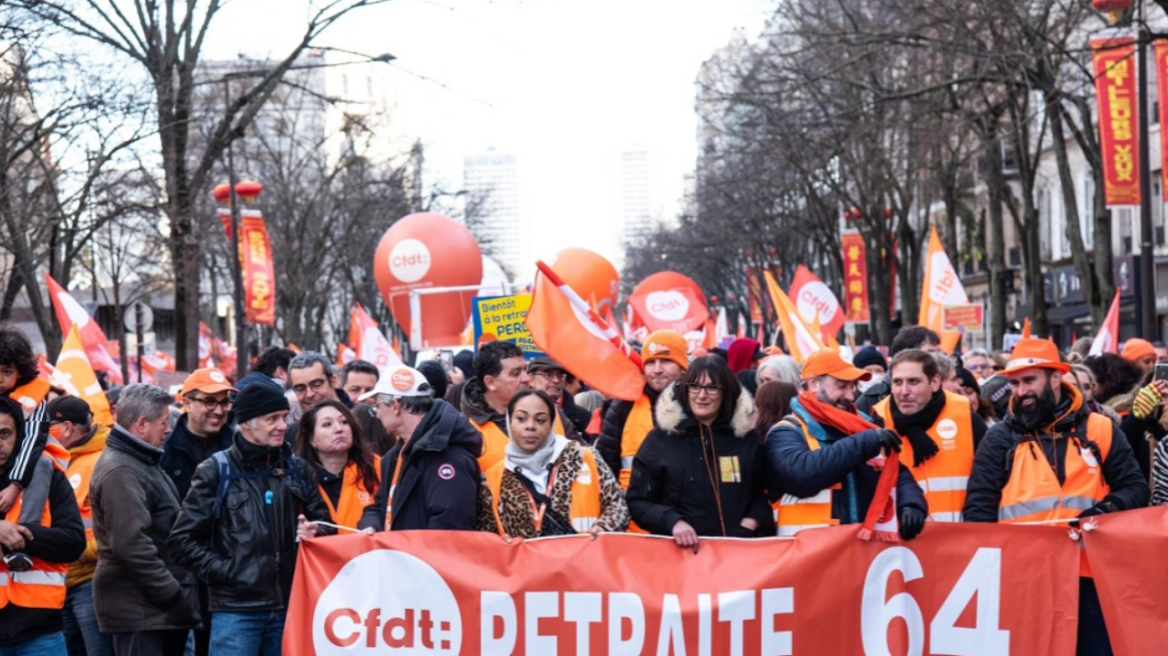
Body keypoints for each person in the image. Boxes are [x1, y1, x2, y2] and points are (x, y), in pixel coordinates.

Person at [962, 337, 1148, 656]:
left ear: (1056, 378)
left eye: (1029, 380)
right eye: (1016, 383)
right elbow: (978, 512)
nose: (1021, 391)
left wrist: (1106, 510)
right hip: (1024, 580)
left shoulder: (1100, 429)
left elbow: (1135, 488)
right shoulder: (998, 440)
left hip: (1091, 576)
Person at [168, 383, 334, 655]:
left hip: (291, 607)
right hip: (236, 613)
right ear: (246, 422)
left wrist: (316, 533)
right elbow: (181, 541)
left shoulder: (298, 468)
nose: (282, 425)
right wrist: (229, 573)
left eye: (284, 416)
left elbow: (326, 525)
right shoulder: (215, 470)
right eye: (272, 419)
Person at [766, 349, 927, 539]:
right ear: (814, 384)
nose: (850, 397)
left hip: (858, 555)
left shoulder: (864, 429)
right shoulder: (786, 431)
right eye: (841, 386)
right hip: (807, 560)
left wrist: (910, 504)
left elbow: (897, 474)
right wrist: (864, 442)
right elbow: (802, 475)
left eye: (852, 387)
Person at [90, 385, 200, 656]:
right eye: (164, 423)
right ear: (141, 425)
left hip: (151, 609)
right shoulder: (122, 470)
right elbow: (132, 547)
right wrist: (174, 597)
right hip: (142, 611)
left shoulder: (139, 461)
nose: (167, 430)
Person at [627, 356, 771, 549]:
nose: (701, 395)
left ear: (725, 392)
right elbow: (638, 501)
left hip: (737, 553)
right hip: (680, 558)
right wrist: (672, 521)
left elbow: (762, 493)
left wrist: (750, 523)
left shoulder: (746, 439)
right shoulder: (660, 440)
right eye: (694, 386)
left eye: (712, 388)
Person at [477, 389, 628, 538]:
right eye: (521, 419)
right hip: (527, 562)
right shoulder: (492, 479)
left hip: (584, 560)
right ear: (509, 422)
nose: (530, 426)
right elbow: (485, 536)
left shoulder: (586, 458)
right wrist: (499, 544)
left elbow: (618, 506)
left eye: (540, 420)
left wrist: (604, 527)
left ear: (551, 424)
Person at [0, 394, 86, 655]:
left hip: (40, 631)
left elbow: (73, 543)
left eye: (4, 434)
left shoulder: (50, 479)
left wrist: (23, 536)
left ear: (20, 437)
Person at [357, 365, 480, 532]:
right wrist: (370, 526)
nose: (377, 414)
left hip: (420, 557)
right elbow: (380, 505)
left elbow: (449, 530)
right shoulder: (396, 455)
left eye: (377, 406)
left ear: (395, 405)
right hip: (400, 555)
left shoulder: (449, 456)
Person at [871, 350, 987, 522]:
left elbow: (989, 483)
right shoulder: (878, 421)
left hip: (960, 537)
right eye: (897, 382)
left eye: (913, 381)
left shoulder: (966, 417)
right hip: (902, 541)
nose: (904, 391)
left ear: (934, 383)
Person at [46, 396, 113, 656]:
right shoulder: (57, 461)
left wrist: (83, 553)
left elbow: (118, 524)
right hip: (62, 579)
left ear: (66, 428)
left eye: (48, 426)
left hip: (90, 581)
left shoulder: (102, 462)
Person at [596, 331, 689, 491]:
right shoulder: (624, 405)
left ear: (683, 368)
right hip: (633, 509)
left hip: (687, 509)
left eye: (666, 361)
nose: (657, 369)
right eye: (651, 362)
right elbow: (604, 466)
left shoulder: (698, 403)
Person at [463, 341, 554, 470]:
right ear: (490, 383)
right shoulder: (466, 431)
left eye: (525, 370)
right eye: (515, 373)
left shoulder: (551, 411)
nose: (526, 378)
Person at [294, 400, 380, 529]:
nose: (339, 429)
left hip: (371, 547)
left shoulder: (376, 466)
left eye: (344, 422)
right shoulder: (298, 477)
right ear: (312, 439)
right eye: (327, 424)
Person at [288, 351, 392, 455]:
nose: (309, 394)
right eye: (300, 389)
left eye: (317, 385)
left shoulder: (365, 422)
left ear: (333, 381)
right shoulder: (293, 433)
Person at [161, 368, 237, 502]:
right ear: (187, 404)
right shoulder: (163, 451)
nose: (219, 411)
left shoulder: (238, 449)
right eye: (210, 402)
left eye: (224, 402)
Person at [856, 325, 942, 414]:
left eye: (940, 353)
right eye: (931, 354)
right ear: (906, 355)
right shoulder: (871, 400)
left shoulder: (950, 392)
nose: (940, 359)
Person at [526, 358, 588, 441]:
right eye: (548, 375)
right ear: (531, 380)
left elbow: (585, 450)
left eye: (560, 376)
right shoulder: (515, 410)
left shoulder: (582, 416)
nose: (556, 380)